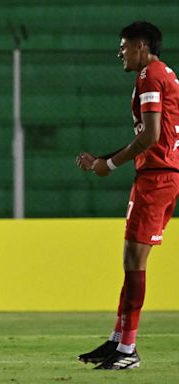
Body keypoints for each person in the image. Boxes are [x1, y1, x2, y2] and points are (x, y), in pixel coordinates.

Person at [76, 21, 179, 370]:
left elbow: (150, 136)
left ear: (140, 45)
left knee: (135, 264)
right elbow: (151, 135)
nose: (120, 52)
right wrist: (105, 160)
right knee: (130, 263)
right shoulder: (157, 74)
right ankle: (118, 341)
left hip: (158, 177)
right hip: (154, 174)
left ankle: (129, 350)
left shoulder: (151, 76)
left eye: (123, 45)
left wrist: (112, 165)